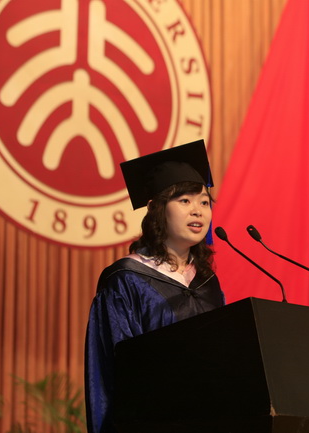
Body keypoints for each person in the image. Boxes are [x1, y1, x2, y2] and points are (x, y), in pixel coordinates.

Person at [84, 140, 225, 433]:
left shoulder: (208, 283)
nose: (198, 211)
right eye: (184, 201)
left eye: (204, 202)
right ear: (156, 209)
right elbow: (113, 374)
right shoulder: (126, 279)